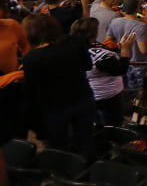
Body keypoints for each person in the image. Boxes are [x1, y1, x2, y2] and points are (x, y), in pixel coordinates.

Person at [21, 12, 97, 160]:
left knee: (58, 151)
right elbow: (87, 65)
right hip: (82, 100)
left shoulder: (31, 58)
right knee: (85, 143)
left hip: (54, 110)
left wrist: (32, 123)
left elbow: (30, 93)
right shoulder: (74, 41)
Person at [71, 17, 133, 127]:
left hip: (94, 94)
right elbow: (120, 69)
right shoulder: (99, 56)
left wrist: (119, 46)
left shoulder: (78, 45)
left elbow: (101, 49)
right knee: (111, 125)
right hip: (107, 97)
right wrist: (126, 50)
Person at [107, 0, 147, 90]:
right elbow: (144, 50)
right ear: (137, 9)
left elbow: (108, 41)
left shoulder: (114, 21)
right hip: (140, 66)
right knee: (143, 93)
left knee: (129, 95)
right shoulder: (140, 26)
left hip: (124, 64)